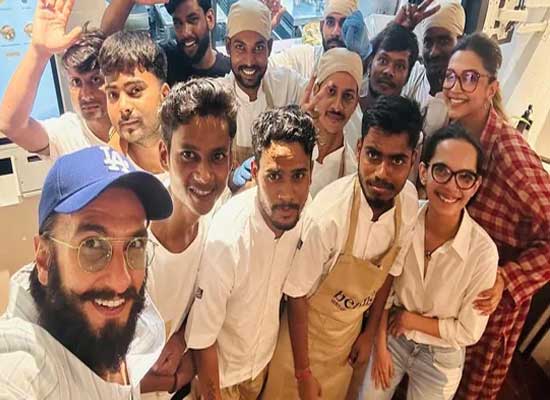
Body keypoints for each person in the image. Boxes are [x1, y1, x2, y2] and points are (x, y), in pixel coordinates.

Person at [263, 96, 423, 400]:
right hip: (301, 344)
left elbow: (390, 272)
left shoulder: (409, 203)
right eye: (374, 155)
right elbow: (296, 296)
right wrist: (303, 373)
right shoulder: (328, 216)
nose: (382, 173)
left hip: (346, 344)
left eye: (397, 161)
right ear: (360, 148)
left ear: (413, 159)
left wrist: (368, 333)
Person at [0, 145, 173, 398]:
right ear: (44, 259)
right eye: (92, 244)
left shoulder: (102, 311)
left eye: (135, 245)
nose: (121, 280)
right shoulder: (26, 373)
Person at [439, 33, 550, 400]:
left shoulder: (510, 153)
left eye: (470, 77)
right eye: (451, 76)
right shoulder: (455, 132)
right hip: (452, 290)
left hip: (488, 305)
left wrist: (508, 278)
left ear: (491, 87)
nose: (456, 87)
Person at [184, 105, 316, 400]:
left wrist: (303, 372)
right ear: (255, 172)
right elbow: (202, 339)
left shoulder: (301, 216)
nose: (286, 193)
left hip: (259, 369)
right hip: (220, 378)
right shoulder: (227, 240)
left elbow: (296, 293)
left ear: (311, 174)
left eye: (298, 176)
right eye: (274, 176)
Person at [359, 123, 498, 400]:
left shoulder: (483, 253)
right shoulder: (404, 219)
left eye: (465, 177)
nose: (451, 186)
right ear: (423, 171)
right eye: (442, 171)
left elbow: (468, 330)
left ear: (476, 185)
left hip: (442, 351)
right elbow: (384, 288)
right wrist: (381, 343)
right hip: (392, 335)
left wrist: (412, 320)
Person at [140, 78, 238, 399]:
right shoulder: (131, 239)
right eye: (189, 156)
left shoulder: (215, 224)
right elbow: (94, 376)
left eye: (217, 156)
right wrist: (176, 378)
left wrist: (182, 336)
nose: (205, 174)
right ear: (164, 154)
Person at [0, 0, 110, 160]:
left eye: (95, 80)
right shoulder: (68, 133)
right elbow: (12, 126)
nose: (86, 94)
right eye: (76, 82)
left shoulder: (138, 127)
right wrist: (39, 52)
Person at [219, 0, 306, 167]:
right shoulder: (216, 98)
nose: (250, 61)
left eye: (258, 48)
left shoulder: (287, 84)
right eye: (240, 47)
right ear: (228, 47)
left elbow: (322, 92)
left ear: (270, 47)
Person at [101, 0, 231, 86]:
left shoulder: (229, 72)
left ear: (210, 19)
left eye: (193, 20)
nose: (185, 32)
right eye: (178, 23)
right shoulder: (165, 59)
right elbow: (108, 44)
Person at [98, 31, 170, 178]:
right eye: (113, 94)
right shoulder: (107, 178)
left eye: (135, 90)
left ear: (164, 95)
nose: (123, 107)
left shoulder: (201, 151)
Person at [302, 47, 362, 196]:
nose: (337, 106)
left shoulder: (352, 174)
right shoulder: (292, 149)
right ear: (316, 90)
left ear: (355, 104)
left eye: (347, 96)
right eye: (331, 92)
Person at [420, 1, 466, 95]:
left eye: (443, 42)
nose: (433, 52)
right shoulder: (414, 78)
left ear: (461, 42)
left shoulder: (471, 94)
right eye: (428, 42)